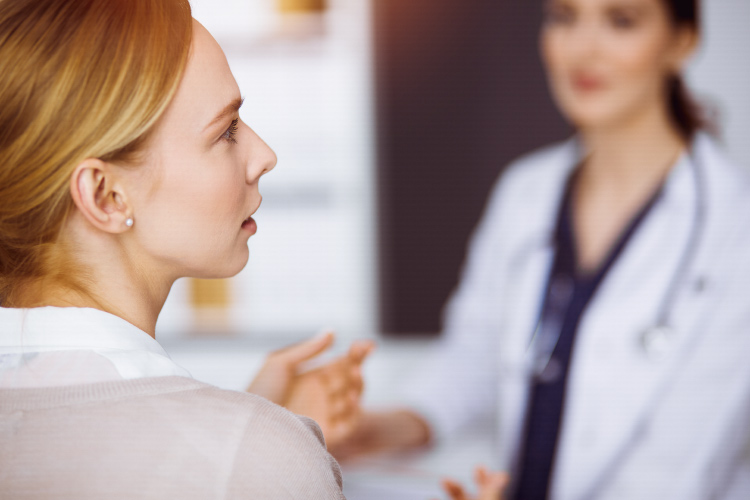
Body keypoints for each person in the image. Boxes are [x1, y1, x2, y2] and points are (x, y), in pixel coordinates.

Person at [336, 0, 750, 498]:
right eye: (564, 18)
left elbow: (678, 469)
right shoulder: (524, 191)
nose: (583, 49)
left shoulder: (732, 226)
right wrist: (378, 431)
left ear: (682, 41)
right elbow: (472, 359)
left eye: (621, 21)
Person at [0, 0, 372, 497]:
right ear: (105, 196)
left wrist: (249, 423)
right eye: (226, 131)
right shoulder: (255, 458)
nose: (264, 157)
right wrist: (255, 444)